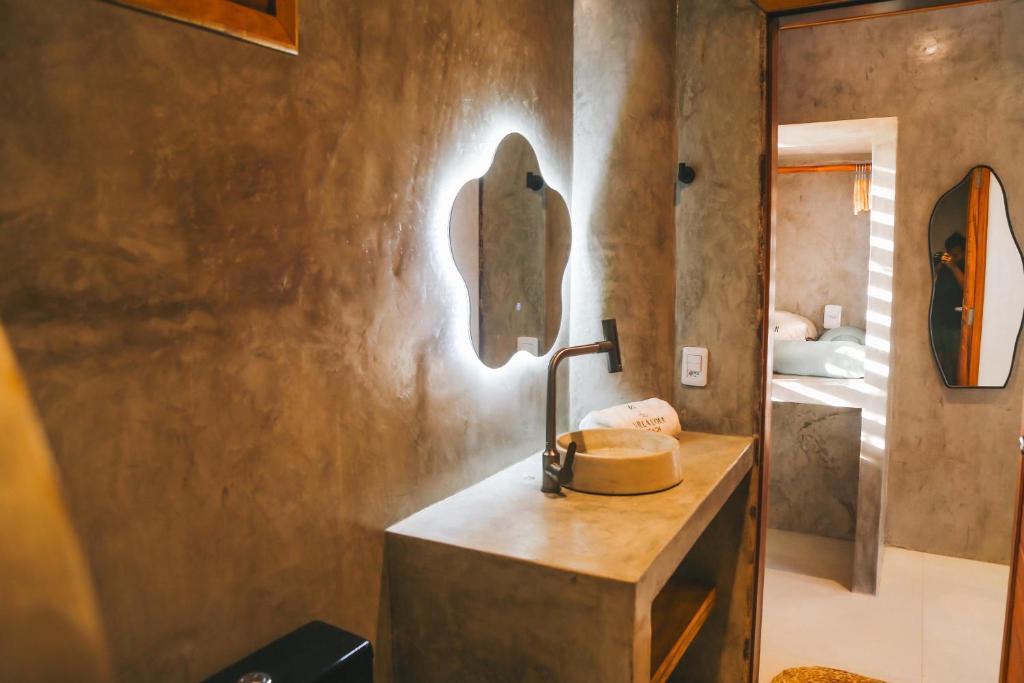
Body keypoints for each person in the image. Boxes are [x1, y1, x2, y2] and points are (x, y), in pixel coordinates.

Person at [931, 232, 966, 383]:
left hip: (954, 324)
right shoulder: (943, 266)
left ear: (964, 253)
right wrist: (937, 267)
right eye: (950, 254)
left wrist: (953, 267)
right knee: (936, 360)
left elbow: (968, 288)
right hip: (937, 320)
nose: (952, 257)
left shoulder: (966, 267)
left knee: (953, 363)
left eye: (956, 254)